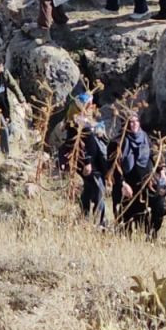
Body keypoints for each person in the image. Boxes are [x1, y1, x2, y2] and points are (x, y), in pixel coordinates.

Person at [57, 89, 108, 223]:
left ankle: (85, 215)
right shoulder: (78, 122)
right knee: (98, 189)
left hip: (92, 161)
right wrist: (88, 162)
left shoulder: (81, 120)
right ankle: (99, 221)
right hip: (88, 163)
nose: (91, 107)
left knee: (90, 187)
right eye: (89, 104)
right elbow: (84, 144)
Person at [110, 112, 158, 235]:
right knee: (124, 226)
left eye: (136, 121)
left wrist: (161, 170)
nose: (133, 124)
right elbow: (112, 167)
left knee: (156, 209)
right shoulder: (117, 142)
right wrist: (122, 184)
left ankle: (149, 237)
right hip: (125, 187)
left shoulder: (145, 138)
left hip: (143, 185)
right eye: (130, 122)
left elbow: (154, 155)